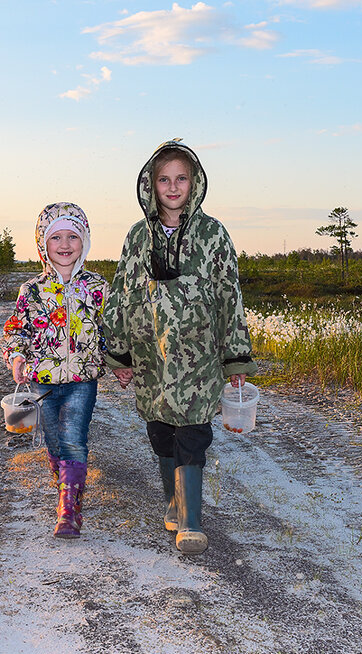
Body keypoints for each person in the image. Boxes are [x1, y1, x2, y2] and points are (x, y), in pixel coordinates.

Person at [103, 139, 256, 555]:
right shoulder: (138, 237)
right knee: (160, 432)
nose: (173, 187)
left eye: (181, 178)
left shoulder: (212, 235)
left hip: (199, 357)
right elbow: (121, 292)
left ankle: (191, 521)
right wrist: (118, 353)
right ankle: (173, 501)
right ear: (150, 186)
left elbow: (229, 294)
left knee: (193, 432)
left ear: (195, 183)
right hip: (152, 356)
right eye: (164, 179)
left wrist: (234, 356)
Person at [2, 202, 107, 539]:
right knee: (53, 440)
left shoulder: (97, 288)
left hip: (82, 380)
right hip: (41, 381)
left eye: (72, 236)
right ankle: (64, 479)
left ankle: (69, 510)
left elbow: (113, 331)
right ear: (42, 245)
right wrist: (17, 358)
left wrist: (122, 363)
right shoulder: (31, 291)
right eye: (56, 237)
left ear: (85, 241)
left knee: (74, 438)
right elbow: (16, 332)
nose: (64, 245)